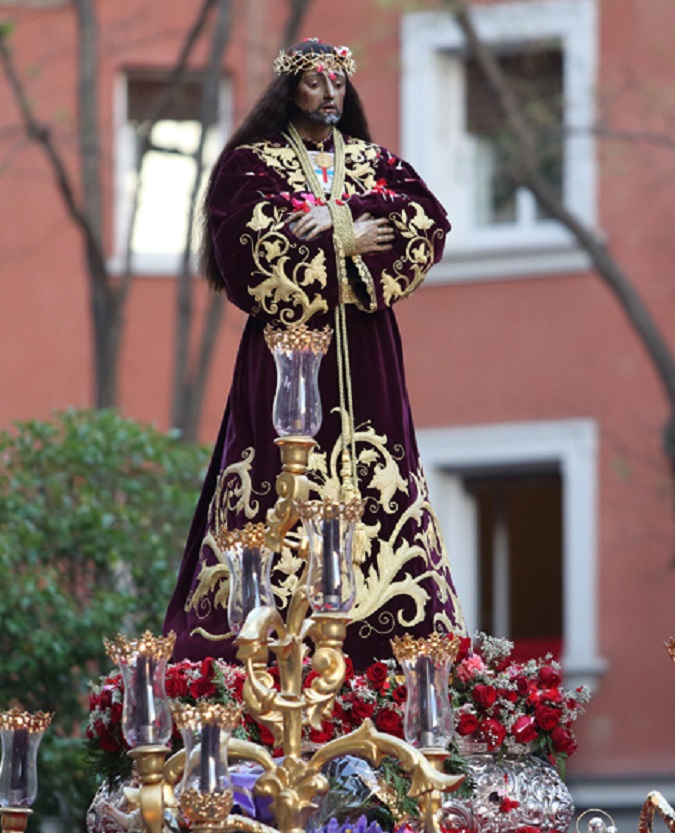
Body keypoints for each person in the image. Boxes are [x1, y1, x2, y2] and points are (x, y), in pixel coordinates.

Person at [163, 39, 464, 668]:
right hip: (284, 356)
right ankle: (258, 655)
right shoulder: (249, 165)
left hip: (368, 356)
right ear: (289, 91)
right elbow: (248, 247)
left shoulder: (374, 161)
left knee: (384, 502)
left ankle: (396, 665)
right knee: (273, 493)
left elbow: (424, 223)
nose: (329, 94)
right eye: (315, 82)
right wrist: (354, 242)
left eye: (338, 83)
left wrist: (340, 221)